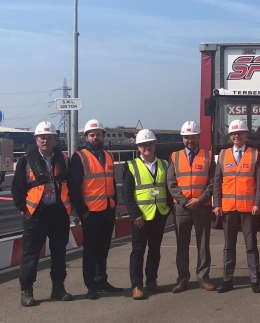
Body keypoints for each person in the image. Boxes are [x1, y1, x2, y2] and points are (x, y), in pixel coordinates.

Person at [11, 121, 73, 307]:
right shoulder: (25, 160)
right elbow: (17, 189)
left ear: (55, 139)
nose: (46, 140)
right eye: (42, 137)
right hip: (36, 213)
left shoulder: (64, 159)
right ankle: (27, 290)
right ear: (36, 140)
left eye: (49, 137)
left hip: (58, 212)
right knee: (30, 253)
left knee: (59, 252)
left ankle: (58, 288)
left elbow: (71, 184)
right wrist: (25, 210)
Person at [69, 119, 122, 300]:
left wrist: (114, 202)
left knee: (104, 248)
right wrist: (82, 210)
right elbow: (74, 187)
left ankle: (102, 280)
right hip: (90, 212)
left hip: (107, 210)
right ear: (86, 137)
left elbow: (111, 181)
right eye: (92, 135)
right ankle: (91, 285)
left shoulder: (109, 155)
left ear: (103, 136)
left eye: (98, 134)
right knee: (90, 250)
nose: (95, 137)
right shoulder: (79, 157)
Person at [213, 119, 260, 293]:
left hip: (248, 208)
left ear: (246, 135)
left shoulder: (255, 154)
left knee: (251, 245)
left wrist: (258, 203)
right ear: (230, 136)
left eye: (240, 133)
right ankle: (227, 280)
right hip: (228, 208)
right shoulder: (223, 155)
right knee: (229, 246)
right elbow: (217, 182)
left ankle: (255, 280)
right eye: (234, 134)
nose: (237, 136)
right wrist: (216, 204)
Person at [123, 129, 172, 300]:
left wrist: (168, 210)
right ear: (138, 147)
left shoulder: (165, 165)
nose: (147, 147)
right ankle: (136, 286)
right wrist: (135, 214)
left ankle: (151, 281)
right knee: (138, 250)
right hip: (140, 217)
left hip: (159, 213)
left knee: (155, 249)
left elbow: (169, 189)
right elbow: (127, 193)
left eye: (150, 144)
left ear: (155, 145)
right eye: (143, 145)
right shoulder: (131, 165)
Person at [168, 120, 215, 293]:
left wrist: (200, 200)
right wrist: (184, 201)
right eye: (186, 137)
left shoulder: (208, 156)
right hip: (181, 208)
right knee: (182, 244)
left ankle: (203, 278)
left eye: (193, 136)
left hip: (201, 207)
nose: (190, 140)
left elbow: (213, 182)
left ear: (199, 137)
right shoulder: (174, 156)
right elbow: (171, 183)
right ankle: (182, 279)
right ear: (183, 138)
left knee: (203, 244)